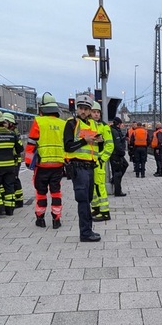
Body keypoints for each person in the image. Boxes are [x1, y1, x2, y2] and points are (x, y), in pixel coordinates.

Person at [63, 95, 102, 242]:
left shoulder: (93, 125)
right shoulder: (71, 124)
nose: (83, 111)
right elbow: (68, 146)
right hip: (78, 167)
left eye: (86, 109)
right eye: (81, 108)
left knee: (88, 199)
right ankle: (85, 233)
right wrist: (84, 141)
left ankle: (88, 230)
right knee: (83, 200)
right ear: (77, 109)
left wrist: (100, 141)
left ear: (90, 111)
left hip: (90, 167)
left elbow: (96, 147)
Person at [26, 93, 66, 228]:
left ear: (42, 108)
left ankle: (40, 218)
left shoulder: (39, 122)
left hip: (42, 165)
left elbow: (31, 143)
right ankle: (56, 219)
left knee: (41, 192)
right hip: (58, 164)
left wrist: (28, 162)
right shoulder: (63, 124)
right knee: (56, 192)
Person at [89, 102, 114, 221]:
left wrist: (102, 159)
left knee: (99, 186)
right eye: (94, 112)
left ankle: (105, 212)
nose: (96, 114)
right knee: (93, 186)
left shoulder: (104, 127)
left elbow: (110, 146)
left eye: (98, 112)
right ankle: (96, 208)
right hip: (89, 160)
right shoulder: (87, 125)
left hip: (98, 161)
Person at [4, 112, 25, 209]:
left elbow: (18, 148)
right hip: (13, 159)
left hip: (15, 159)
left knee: (14, 179)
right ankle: (18, 199)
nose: (3, 124)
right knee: (14, 179)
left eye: (5, 122)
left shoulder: (13, 133)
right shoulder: (11, 132)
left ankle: (18, 200)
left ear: (10, 123)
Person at [109, 117, 129, 197]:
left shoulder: (116, 130)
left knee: (125, 165)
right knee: (117, 172)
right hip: (116, 154)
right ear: (118, 124)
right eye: (121, 124)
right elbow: (117, 144)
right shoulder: (114, 131)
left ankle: (114, 180)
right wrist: (122, 152)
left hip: (117, 153)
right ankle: (117, 191)